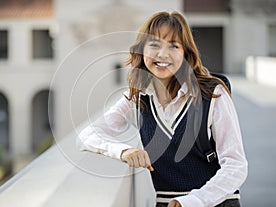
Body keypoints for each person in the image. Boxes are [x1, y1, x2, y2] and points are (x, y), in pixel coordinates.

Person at [79, 11, 248, 207]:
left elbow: (236, 165)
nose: (162, 54)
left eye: (173, 46)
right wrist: (123, 151)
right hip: (166, 202)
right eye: (154, 44)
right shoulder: (137, 97)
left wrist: (194, 201)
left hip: (214, 202)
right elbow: (88, 134)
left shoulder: (213, 94)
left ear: (186, 53)